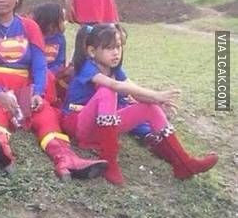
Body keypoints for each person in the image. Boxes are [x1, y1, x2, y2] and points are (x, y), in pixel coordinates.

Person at [0, 0, 107, 180]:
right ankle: (0, 151)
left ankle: (66, 159)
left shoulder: (29, 26)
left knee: (45, 114)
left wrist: (38, 93)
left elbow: (40, 66)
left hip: (25, 88)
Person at [61, 23, 218, 185]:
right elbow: (116, 86)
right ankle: (109, 161)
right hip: (78, 123)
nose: (116, 52)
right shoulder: (87, 67)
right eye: (109, 48)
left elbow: (134, 90)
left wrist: (156, 101)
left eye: (118, 47)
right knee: (107, 91)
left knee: (151, 108)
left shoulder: (115, 70)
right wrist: (156, 95)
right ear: (92, 51)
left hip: (99, 127)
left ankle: (184, 163)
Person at [31, 1, 71, 105]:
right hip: (34, 75)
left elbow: (60, 62)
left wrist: (52, 73)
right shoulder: (34, 37)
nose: (64, 23)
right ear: (50, 24)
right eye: (62, 20)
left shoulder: (60, 39)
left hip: (53, 76)